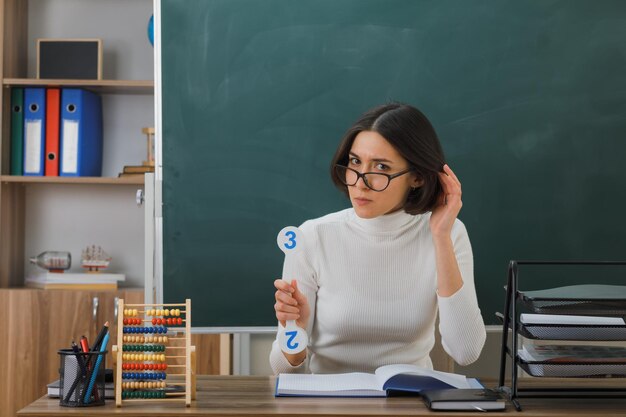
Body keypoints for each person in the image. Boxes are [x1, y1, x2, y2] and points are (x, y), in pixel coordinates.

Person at [270, 102, 486, 374]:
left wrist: (441, 237)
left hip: (410, 403)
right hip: (328, 405)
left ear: (417, 177)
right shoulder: (312, 237)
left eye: (381, 167)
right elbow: (283, 371)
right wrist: (296, 334)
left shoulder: (449, 233)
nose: (360, 182)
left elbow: (466, 351)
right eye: (355, 162)